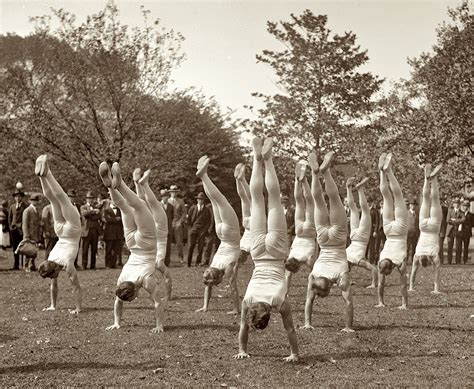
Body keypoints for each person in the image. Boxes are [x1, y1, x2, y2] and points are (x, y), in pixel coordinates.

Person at [234, 137, 298, 363]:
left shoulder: (279, 302)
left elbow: (291, 331)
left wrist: (294, 354)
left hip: (277, 253)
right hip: (259, 254)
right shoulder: (248, 300)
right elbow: (242, 325)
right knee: (257, 202)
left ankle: (267, 160)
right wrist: (241, 349)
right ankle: (256, 156)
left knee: (273, 201)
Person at [99, 161, 165, 333]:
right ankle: (111, 188)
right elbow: (118, 301)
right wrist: (116, 322)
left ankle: (118, 184)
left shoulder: (145, 280)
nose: (135, 299)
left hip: (146, 244)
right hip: (132, 245)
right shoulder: (121, 281)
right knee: (126, 209)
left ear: (135, 290)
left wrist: (159, 325)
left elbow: (158, 302)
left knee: (138, 206)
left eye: (133, 298)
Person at [304, 150, 353, 332]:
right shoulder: (314, 276)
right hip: (323, 240)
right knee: (318, 201)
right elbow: (309, 300)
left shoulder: (341, 278)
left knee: (333, 199)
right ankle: (316, 173)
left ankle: (325, 172)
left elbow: (349, 303)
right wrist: (306, 322)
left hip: (338, 240)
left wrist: (349, 326)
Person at [35, 155, 82, 314]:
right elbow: (67, 286)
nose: (53, 278)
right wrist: (53, 306)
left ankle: (47, 173)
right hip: (60, 231)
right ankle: (42, 177)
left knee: (61, 198)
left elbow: (76, 286)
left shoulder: (66, 265)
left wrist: (78, 308)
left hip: (72, 232)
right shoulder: (50, 260)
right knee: (54, 199)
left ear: (53, 270)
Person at [195, 156, 241, 314]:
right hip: (220, 232)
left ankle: (204, 176)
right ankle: (204, 176)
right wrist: (205, 306)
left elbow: (233, 288)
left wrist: (237, 309)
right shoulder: (212, 266)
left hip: (230, 234)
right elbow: (208, 284)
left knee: (220, 200)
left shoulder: (225, 268)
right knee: (215, 200)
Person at [133, 169, 173, 301]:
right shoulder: (155, 263)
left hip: (157, 232)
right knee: (147, 205)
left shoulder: (151, 264)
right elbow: (167, 278)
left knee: (149, 204)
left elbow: (168, 278)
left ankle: (141, 184)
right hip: (155, 232)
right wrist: (167, 297)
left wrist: (135, 292)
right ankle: (140, 184)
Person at [376, 153, 408, 309]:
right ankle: (383, 172)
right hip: (389, 231)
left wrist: (404, 304)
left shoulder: (398, 262)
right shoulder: (382, 259)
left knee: (397, 196)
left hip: (400, 231)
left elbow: (402, 285)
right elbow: (402, 285)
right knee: (387, 198)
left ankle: (387, 171)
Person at [409, 164, 444, 293]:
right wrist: (410, 287)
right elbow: (412, 272)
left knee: (435, 200)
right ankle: (426, 178)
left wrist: (436, 289)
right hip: (423, 226)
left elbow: (436, 271)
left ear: (428, 260)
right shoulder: (417, 254)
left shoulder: (433, 255)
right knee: (425, 200)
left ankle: (433, 179)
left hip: (434, 227)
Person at [284, 161, 316, 293]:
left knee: (309, 202)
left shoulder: (304, 259)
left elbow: (313, 270)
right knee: (299, 202)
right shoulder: (291, 256)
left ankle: (304, 181)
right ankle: (297, 180)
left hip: (308, 232)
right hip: (299, 231)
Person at [345, 177, 378, 287]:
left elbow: (374, 269)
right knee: (355, 210)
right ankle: (349, 189)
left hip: (360, 239)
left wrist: (374, 283)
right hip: (354, 237)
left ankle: (358, 190)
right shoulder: (347, 256)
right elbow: (373, 269)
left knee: (364, 212)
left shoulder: (355, 260)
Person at [186, 192, 211, 267]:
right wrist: (190, 229)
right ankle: (188, 263)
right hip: (193, 229)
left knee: (200, 247)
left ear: (204, 200)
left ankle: (198, 262)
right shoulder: (192, 208)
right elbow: (189, 220)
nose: (200, 201)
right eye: (199, 199)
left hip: (202, 231)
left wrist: (205, 230)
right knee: (191, 246)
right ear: (197, 200)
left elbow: (208, 221)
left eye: (202, 199)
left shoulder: (207, 210)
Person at [234, 162, 251, 265]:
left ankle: (241, 179)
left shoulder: (249, 249)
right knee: (244, 199)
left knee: (251, 198)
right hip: (245, 225)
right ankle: (237, 179)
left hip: (252, 227)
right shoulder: (240, 246)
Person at [80, 191, 101, 270]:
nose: (90, 200)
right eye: (89, 198)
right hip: (86, 231)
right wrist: (93, 212)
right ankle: (84, 265)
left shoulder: (96, 207)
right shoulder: (83, 207)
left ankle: (93, 265)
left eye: (92, 199)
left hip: (94, 231)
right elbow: (84, 214)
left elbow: (98, 216)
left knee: (94, 249)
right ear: (86, 199)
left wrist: (92, 215)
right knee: (85, 249)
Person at [22, 193, 42, 272]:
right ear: (30, 201)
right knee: (27, 251)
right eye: (33, 200)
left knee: (34, 250)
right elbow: (25, 224)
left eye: (36, 200)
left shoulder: (36, 210)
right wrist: (26, 235)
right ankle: (26, 265)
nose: (35, 202)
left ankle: (32, 265)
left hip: (35, 234)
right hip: (29, 234)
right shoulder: (27, 210)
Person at [8, 189, 28, 270]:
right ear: (14, 198)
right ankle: (16, 265)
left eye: (19, 196)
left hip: (21, 229)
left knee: (22, 247)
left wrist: (22, 227)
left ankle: (23, 265)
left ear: (22, 197)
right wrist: (11, 227)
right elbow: (9, 218)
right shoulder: (12, 206)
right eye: (16, 196)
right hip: (14, 229)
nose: (17, 198)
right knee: (15, 248)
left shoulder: (25, 206)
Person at [168, 185, 187, 264]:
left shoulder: (180, 201)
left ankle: (181, 257)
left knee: (179, 242)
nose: (174, 193)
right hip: (169, 223)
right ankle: (167, 258)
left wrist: (180, 221)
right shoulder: (167, 201)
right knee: (167, 242)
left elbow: (184, 213)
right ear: (170, 193)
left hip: (177, 223)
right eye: (172, 192)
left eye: (175, 192)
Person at [102, 201, 124, 268]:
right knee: (108, 249)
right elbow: (107, 219)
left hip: (118, 233)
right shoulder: (106, 210)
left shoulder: (119, 210)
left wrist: (113, 219)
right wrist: (116, 219)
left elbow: (122, 220)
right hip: (109, 233)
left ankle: (113, 263)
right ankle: (108, 264)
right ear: (110, 201)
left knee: (116, 249)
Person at [67, 189, 82, 269]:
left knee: (76, 247)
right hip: (69, 229)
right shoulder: (65, 206)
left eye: (73, 197)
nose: (72, 199)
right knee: (69, 247)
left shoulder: (78, 206)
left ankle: (75, 263)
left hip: (77, 230)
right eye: (70, 197)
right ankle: (67, 263)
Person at [160, 190, 174, 267]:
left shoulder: (171, 206)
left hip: (168, 229)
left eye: (166, 196)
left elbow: (172, 217)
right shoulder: (158, 205)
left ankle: (167, 262)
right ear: (162, 197)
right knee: (160, 246)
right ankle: (160, 261)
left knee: (168, 246)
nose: (165, 198)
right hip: (160, 229)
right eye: (163, 196)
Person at [455, 200, 472, 264]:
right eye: (464, 206)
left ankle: (465, 260)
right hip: (460, 232)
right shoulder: (459, 213)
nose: (465, 207)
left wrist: (465, 222)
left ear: (468, 207)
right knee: (458, 247)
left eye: (466, 206)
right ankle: (458, 261)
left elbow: (472, 224)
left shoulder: (471, 215)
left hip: (467, 233)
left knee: (466, 248)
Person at [406, 200, 419, 264]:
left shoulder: (417, 214)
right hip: (408, 233)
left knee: (414, 248)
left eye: (414, 205)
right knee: (407, 248)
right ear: (409, 206)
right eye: (412, 205)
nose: (413, 206)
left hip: (415, 233)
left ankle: (413, 261)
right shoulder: (406, 213)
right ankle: (405, 261)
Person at [438, 197, 449, 264]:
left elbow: (446, 221)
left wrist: (444, 231)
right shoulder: (432, 208)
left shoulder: (445, 209)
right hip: (434, 231)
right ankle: (433, 260)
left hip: (441, 230)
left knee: (440, 246)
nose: (439, 202)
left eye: (440, 201)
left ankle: (441, 260)